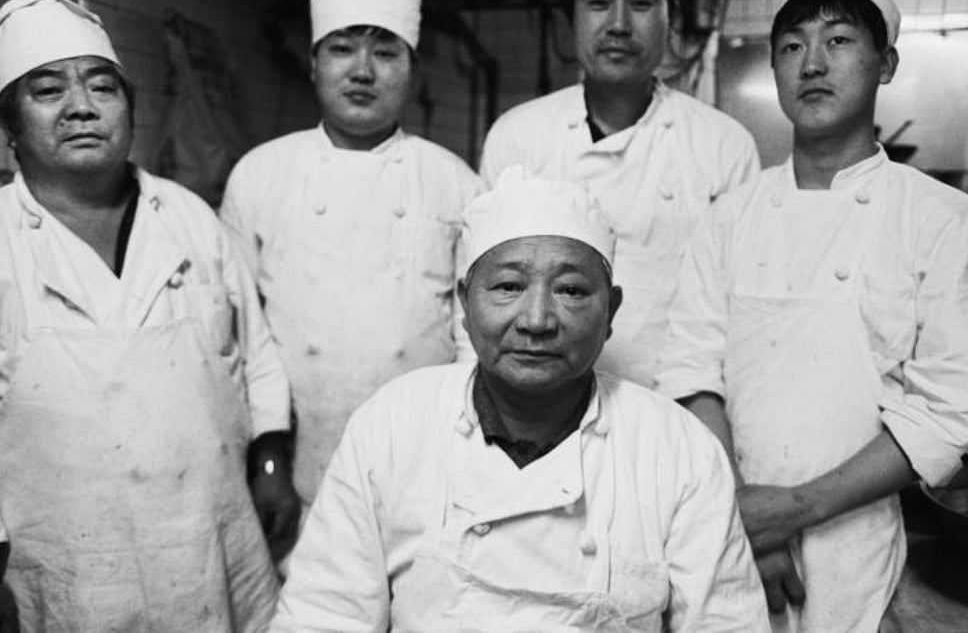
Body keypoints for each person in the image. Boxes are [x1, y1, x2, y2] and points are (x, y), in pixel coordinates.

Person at [269, 172, 770, 631]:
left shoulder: (675, 447)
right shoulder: (395, 424)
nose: (537, 320)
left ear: (611, 310)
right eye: (508, 286)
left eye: (571, 290)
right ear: (465, 303)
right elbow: (323, 616)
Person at [655, 0, 968, 631]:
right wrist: (746, 513)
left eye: (838, 40)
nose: (812, 63)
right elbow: (692, 370)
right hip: (729, 534)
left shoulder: (947, 222)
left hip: (858, 548)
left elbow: (947, 410)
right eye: (791, 46)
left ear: (887, 63)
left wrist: (797, 509)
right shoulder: (729, 218)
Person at [0, 0, 299, 632]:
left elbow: (256, 352)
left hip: (213, 538)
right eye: (47, 91)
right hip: (69, 567)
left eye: (102, 86)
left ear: (128, 108)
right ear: (8, 123)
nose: (81, 108)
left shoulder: (188, 217)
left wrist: (269, 463)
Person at [221, 0, 485, 512]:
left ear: (413, 68)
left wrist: (464, 450)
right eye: (342, 49)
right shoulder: (259, 174)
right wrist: (267, 463)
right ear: (313, 63)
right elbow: (239, 335)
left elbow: (472, 334)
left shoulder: (454, 181)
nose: (362, 71)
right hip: (295, 457)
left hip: (426, 450)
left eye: (386, 54)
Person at [479, 0, 760, 387]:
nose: (619, 24)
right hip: (539, 405)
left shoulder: (724, 146)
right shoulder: (517, 137)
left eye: (642, 3)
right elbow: (486, 292)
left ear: (672, 17)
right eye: (598, 2)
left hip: (678, 401)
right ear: (571, 18)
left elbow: (734, 311)